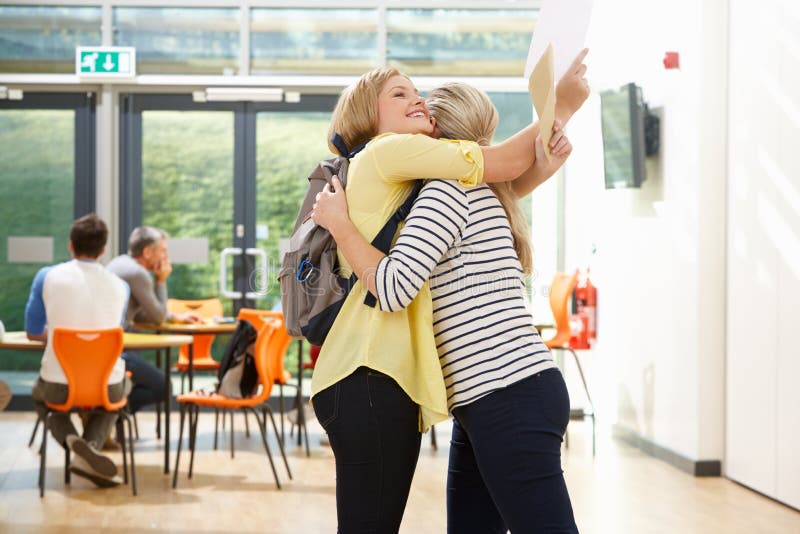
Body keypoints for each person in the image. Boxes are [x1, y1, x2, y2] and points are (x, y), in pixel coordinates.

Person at [308, 57, 586, 533]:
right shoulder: (463, 191)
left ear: (438, 137)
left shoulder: (445, 190)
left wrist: (340, 224)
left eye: (421, 102)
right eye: (402, 95)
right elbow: (509, 175)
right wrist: (548, 144)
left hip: (503, 390)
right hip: (492, 395)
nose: (415, 103)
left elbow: (393, 287)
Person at [25, 213, 130, 488]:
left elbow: (32, 331)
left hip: (58, 385)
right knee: (118, 396)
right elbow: (111, 332)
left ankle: (74, 445)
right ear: (103, 249)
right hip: (106, 385)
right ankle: (90, 448)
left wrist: (59, 338)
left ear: (70, 245)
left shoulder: (47, 277)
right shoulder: (121, 286)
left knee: (41, 398)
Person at [107, 226, 200, 414]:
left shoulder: (120, 263)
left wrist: (174, 318)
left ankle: (110, 411)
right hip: (114, 351)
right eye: (163, 251)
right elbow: (157, 318)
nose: (166, 256)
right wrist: (161, 280)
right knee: (163, 387)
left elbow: (138, 314)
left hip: (104, 347)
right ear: (147, 252)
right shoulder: (137, 273)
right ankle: (110, 412)